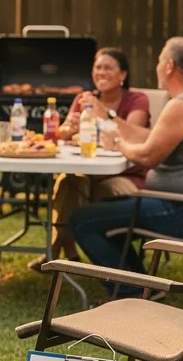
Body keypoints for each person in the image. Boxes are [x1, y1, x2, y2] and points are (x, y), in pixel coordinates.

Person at [69, 37, 183, 295]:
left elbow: (146, 157)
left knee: (81, 220)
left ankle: (133, 293)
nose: (157, 67)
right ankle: (144, 287)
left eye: (158, 61)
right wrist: (110, 119)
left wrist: (117, 144)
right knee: (106, 214)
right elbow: (150, 138)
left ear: (168, 66)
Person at [32, 48, 151, 267]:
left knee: (102, 191)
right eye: (98, 67)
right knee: (67, 181)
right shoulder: (83, 99)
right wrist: (69, 129)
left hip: (124, 176)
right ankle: (63, 247)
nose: (101, 72)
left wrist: (104, 113)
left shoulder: (136, 100)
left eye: (108, 68)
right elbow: (63, 133)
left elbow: (135, 132)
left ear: (123, 75)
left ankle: (57, 247)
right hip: (88, 172)